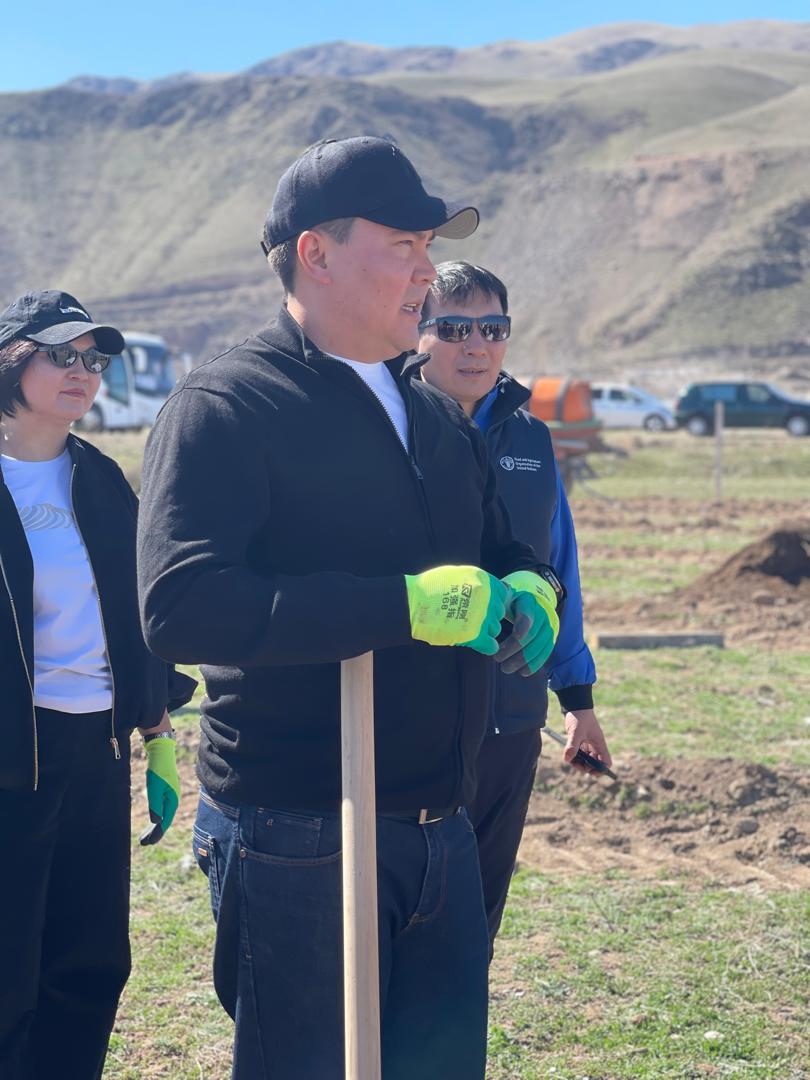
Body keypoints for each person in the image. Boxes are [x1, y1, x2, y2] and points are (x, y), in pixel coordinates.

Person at [136, 136, 565, 1080]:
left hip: (439, 829)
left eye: (430, 246)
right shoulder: (228, 404)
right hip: (301, 829)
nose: (426, 270)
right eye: (404, 243)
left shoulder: (434, 416)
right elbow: (182, 604)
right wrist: (398, 607)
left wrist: (533, 584)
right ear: (315, 255)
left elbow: (501, 545)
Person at [0, 290, 196, 1080]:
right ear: (12, 361)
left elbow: (138, 610)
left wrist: (156, 732)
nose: (84, 372)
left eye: (95, 359)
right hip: (14, 754)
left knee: (89, 959)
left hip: (95, 748)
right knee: (10, 964)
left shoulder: (101, 479)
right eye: (62, 354)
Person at [419, 261, 612, 949]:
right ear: (418, 334)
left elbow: (559, 567)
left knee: (476, 920)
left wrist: (577, 699)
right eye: (455, 327)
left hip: (512, 714)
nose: (477, 345)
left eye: (493, 328)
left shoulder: (532, 438)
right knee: (405, 911)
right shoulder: (391, 431)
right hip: (416, 716)